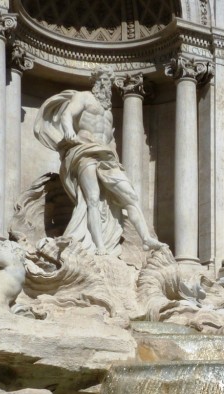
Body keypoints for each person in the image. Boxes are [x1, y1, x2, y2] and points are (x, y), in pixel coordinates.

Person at [33, 68, 164, 256]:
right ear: (95, 83)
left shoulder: (108, 112)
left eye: (108, 83)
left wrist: (116, 160)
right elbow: (66, 115)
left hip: (106, 156)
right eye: (102, 81)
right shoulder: (84, 97)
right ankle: (99, 246)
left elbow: (109, 140)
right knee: (92, 198)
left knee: (130, 196)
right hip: (84, 150)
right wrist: (69, 130)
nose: (105, 86)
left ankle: (146, 239)